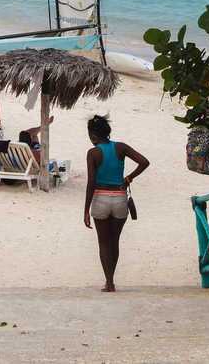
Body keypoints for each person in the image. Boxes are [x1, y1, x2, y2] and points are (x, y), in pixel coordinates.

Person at [83, 114, 149, 292]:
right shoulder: (121, 147)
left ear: (93, 135)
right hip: (120, 198)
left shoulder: (93, 153)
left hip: (100, 198)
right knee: (114, 241)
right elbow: (144, 162)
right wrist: (129, 178)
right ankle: (111, 279)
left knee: (103, 243)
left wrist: (86, 210)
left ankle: (109, 282)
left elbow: (91, 182)